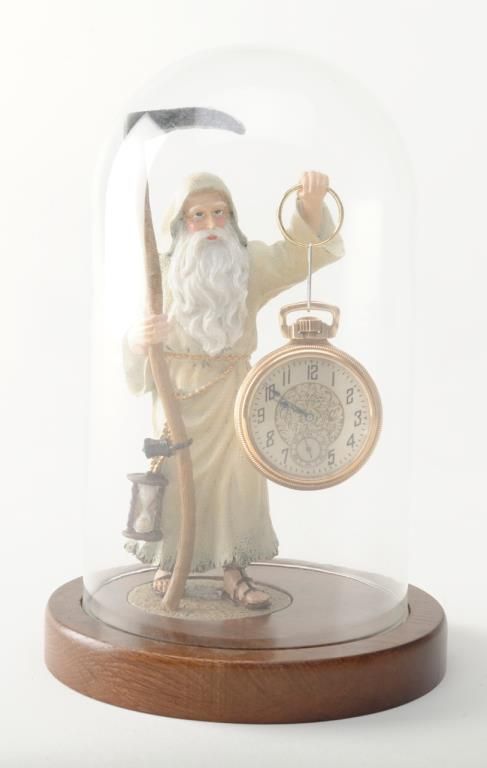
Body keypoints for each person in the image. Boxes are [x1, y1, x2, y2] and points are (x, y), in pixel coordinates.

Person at [123, 170, 344, 608]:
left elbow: (295, 257)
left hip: (237, 397)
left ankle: (233, 569)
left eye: (218, 213)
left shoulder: (247, 265)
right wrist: (137, 339)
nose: (210, 225)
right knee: (174, 479)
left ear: (231, 217)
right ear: (180, 223)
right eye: (198, 215)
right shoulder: (161, 271)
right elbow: (132, 332)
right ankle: (170, 561)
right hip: (179, 397)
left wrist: (310, 209)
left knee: (239, 482)